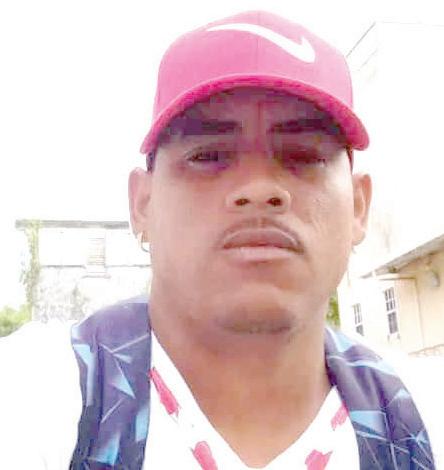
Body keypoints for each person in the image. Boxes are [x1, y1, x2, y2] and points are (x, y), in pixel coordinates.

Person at [0, 10, 442, 470]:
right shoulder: (36, 398)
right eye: (208, 154)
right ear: (142, 204)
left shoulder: (423, 417)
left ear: (358, 206)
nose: (259, 188)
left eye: (303, 155)